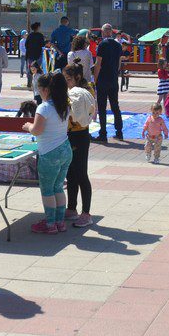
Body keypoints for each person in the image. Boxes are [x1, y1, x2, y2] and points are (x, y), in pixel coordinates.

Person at [23, 72, 73, 234]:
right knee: (58, 187)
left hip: (50, 153)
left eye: (39, 90)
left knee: (47, 190)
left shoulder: (44, 107)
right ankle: (60, 222)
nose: (38, 94)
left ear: (46, 90)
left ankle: (50, 224)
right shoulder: (64, 105)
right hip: (65, 149)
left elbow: (37, 130)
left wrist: (28, 126)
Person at [62, 63, 95, 227]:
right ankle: (71, 208)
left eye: (68, 79)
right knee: (70, 173)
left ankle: (86, 213)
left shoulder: (85, 91)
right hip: (69, 134)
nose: (66, 82)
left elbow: (79, 115)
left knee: (81, 174)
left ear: (78, 77)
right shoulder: (71, 91)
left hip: (80, 135)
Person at [92, 23, 124, 141]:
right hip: (113, 79)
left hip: (103, 79)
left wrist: (95, 80)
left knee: (102, 107)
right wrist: (115, 72)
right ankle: (119, 132)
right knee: (115, 106)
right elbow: (119, 63)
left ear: (103, 32)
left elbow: (98, 64)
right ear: (111, 32)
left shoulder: (102, 44)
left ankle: (103, 133)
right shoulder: (118, 45)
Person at [23, 21, 45, 88]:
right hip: (38, 55)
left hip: (30, 55)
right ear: (38, 27)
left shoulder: (30, 35)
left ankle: (29, 83)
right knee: (38, 69)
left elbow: (26, 45)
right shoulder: (40, 35)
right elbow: (42, 44)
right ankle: (38, 83)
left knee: (30, 69)